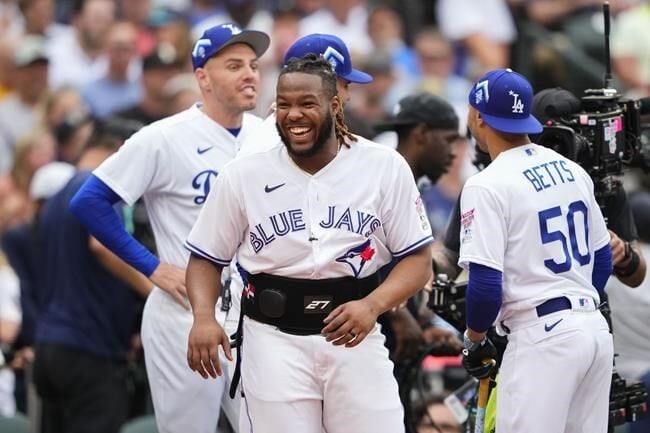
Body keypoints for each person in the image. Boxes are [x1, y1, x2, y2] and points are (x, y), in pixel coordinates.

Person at [184, 55, 434, 433]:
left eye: (306, 104)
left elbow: (418, 260)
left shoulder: (383, 165)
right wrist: (203, 316)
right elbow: (205, 258)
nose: (293, 115)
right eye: (284, 104)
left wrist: (374, 305)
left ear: (334, 105)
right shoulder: (244, 173)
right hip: (272, 338)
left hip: (355, 335)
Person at [68, 23, 270, 433]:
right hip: (183, 312)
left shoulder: (267, 137)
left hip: (251, 312)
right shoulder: (163, 137)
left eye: (253, 64)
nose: (250, 74)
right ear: (202, 77)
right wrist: (152, 267)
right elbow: (89, 201)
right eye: (234, 65)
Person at [459, 68, 614, 433]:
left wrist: (474, 339)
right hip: (593, 331)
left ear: (479, 116)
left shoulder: (487, 184)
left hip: (542, 340)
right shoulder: (571, 169)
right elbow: (602, 261)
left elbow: (484, 285)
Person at [33, 126, 152, 433]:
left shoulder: (59, 193)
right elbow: (100, 245)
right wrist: (154, 286)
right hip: (89, 348)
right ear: (122, 149)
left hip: (50, 345)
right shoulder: (99, 188)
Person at [373, 92, 463, 363]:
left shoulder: (414, 186)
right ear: (422, 134)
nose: (454, 153)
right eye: (448, 140)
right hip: (370, 338)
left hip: (396, 341)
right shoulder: (379, 184)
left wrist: (425, 324)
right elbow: (359, 255)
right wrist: (398, 315)